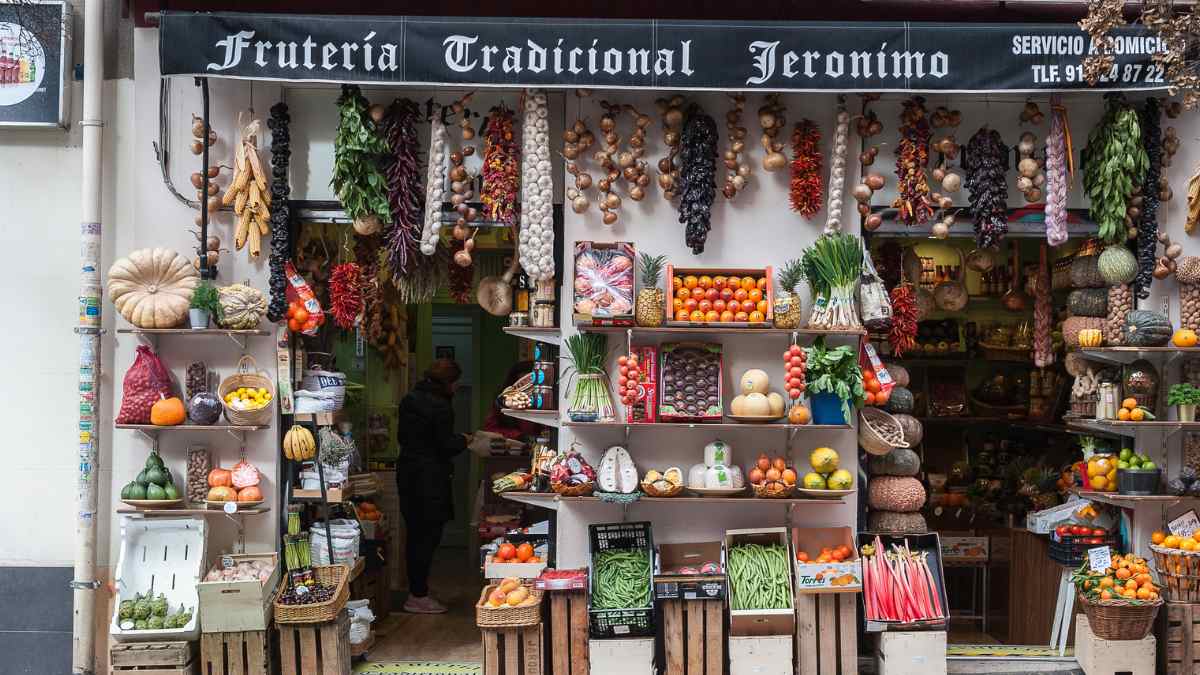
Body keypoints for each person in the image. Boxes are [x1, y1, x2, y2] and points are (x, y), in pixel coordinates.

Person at [396, 358, 470, 614]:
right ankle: (418, 596)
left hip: (408, 473)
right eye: (456, 382)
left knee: (415, 534)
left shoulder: (410, 398)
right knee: (428, 537)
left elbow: (404, 437)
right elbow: (445, 445)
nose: (457, 387)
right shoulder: (440, 406)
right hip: (430, 479)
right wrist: (465, 440)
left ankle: (418, 590)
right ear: (448, 382)